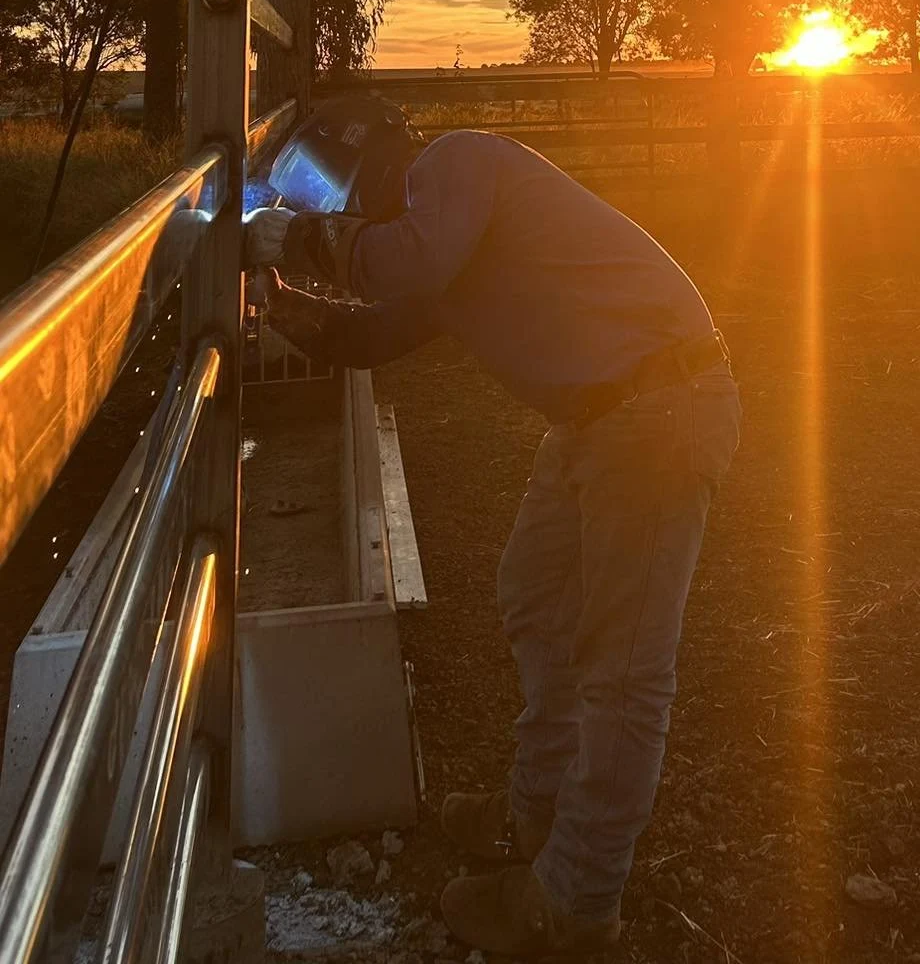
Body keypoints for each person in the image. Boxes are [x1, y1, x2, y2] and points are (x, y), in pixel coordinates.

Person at [243, 95, 741, 959]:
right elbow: (372, 332)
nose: (322, 205)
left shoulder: (458, 165)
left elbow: (404, 264)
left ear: (355, 153)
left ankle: (574, 903)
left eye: (314, 185)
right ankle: (536, 810)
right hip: (604, 416)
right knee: (535, 599)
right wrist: (280, 304)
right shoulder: (444, 237)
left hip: (658, 409)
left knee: (623, 670)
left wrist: (289, 241)